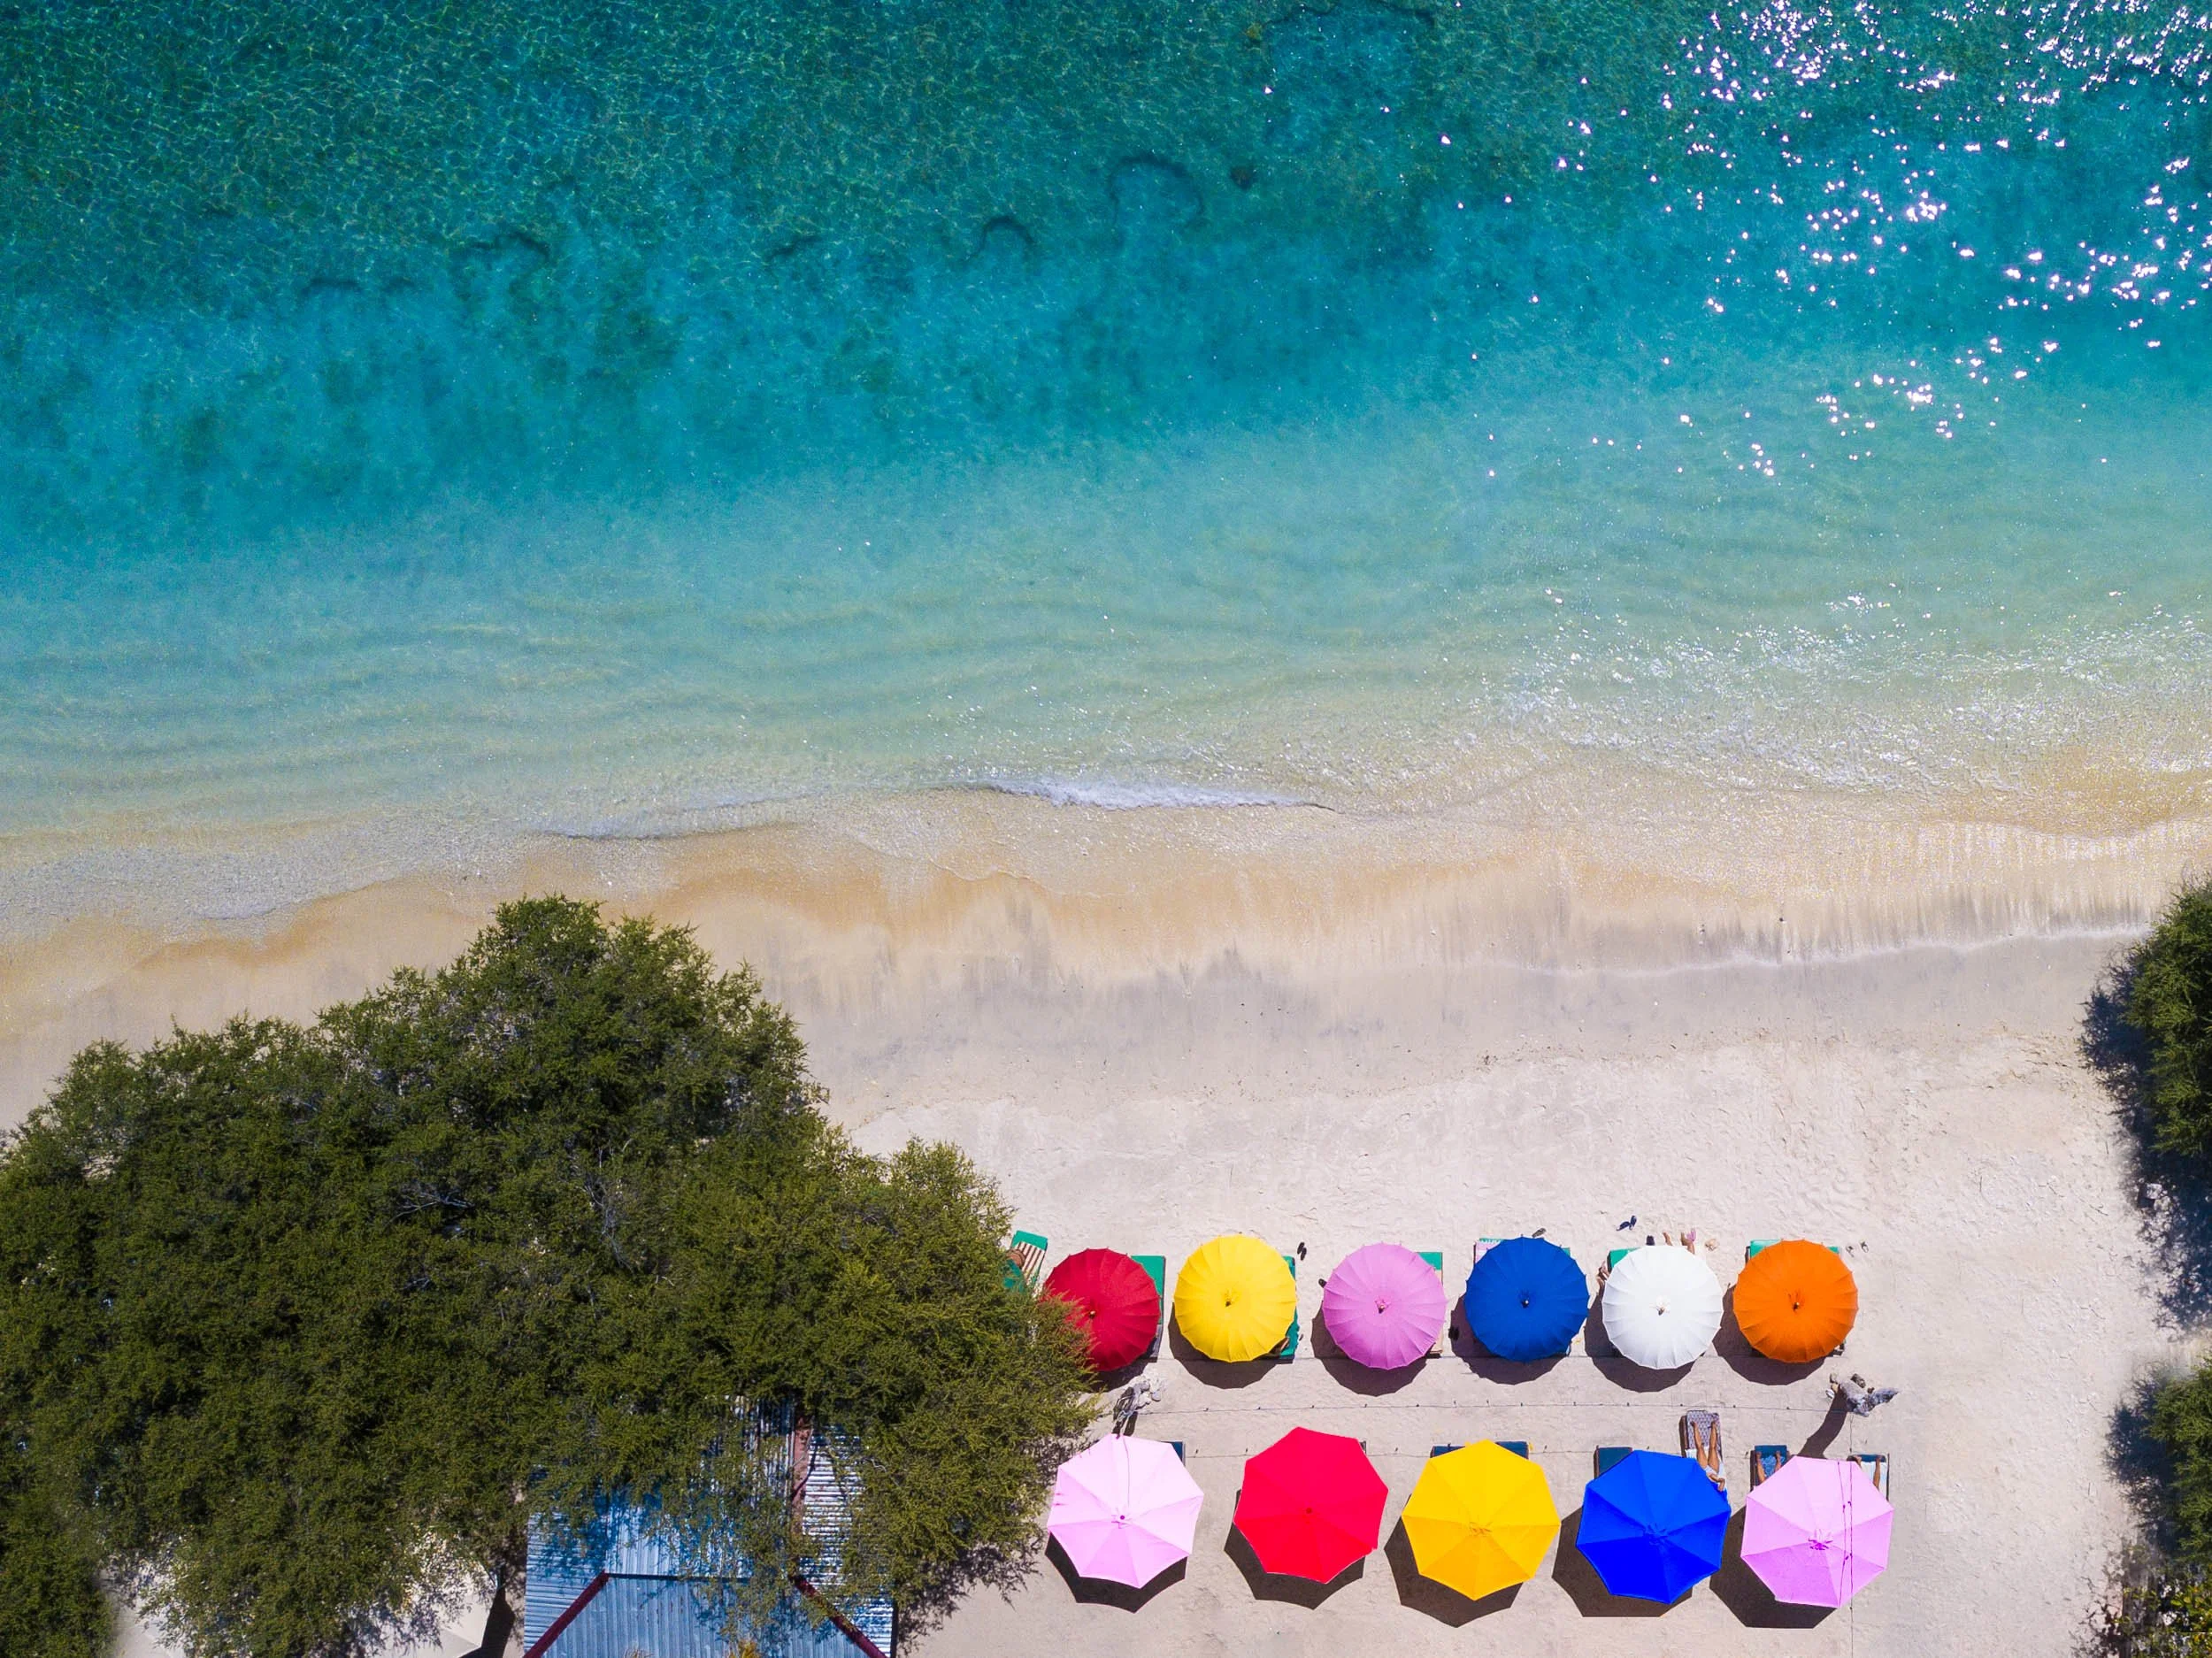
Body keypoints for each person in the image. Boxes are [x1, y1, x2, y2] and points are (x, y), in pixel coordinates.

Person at [1831, 1372, 1898, 1416]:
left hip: (1853, 1397)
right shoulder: (1869, 1405)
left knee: (1846, 1385)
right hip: (1860, 1399)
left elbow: (1852, 1402)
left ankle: (1838, 1385)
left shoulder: (1860, 1403)